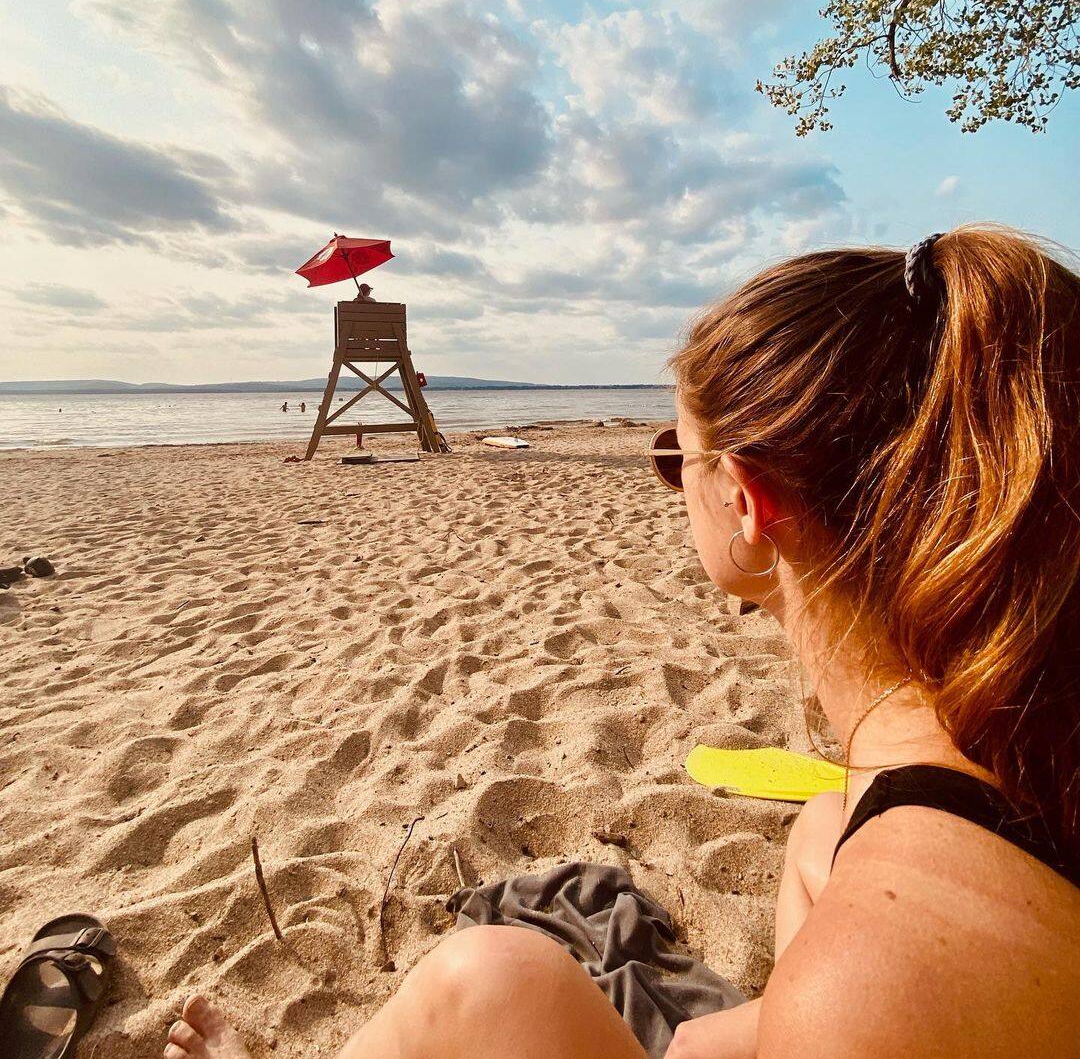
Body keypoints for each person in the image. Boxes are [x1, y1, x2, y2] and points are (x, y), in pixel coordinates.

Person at [163, 225, 1079, 1059]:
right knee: (821, 827)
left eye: (673, 457)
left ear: (749, 503)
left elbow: (878, 1005)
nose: (670, 482)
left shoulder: (890, 982)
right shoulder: (1011, 720)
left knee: (486, 981)